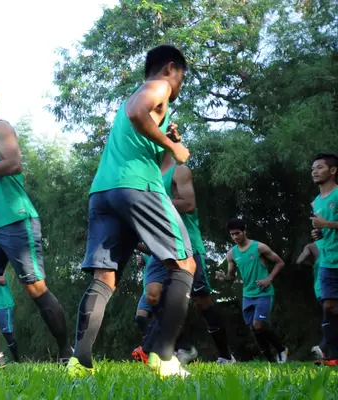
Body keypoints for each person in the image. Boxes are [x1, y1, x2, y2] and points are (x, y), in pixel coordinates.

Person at [71, 45, 196, 377]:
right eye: (182, 76)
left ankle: (79, 363)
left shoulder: (145, 101)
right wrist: (173, 145)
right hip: (138, 187)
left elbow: (150, 149)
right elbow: (136, 113)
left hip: (104, 192)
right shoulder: (159, 87)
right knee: (184, 263)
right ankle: (165, 359)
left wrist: (166, 144)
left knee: (105, 278)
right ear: (171, 68)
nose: (180, 84)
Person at [0, 84, 71, 370]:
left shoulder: (0, 128)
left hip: (17, 219)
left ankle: (67, 350)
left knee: (35, 287)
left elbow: (15, 164)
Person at [139, 153, 235, 365]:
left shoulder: (179, 171)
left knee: (202, 301)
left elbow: (188, 204)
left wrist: (155, 202)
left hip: (186, 244)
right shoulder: (148, 178)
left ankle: (225, 355)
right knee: (153, 296)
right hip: (159, 247)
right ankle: (184, 347)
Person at [215, 219, 288, 363]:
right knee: (254, 328)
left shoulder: (259, 247)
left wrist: (269, 278)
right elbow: (231, 276)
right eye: (232, 235)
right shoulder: (232, 253)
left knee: (258, 325)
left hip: (264, 292)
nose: (235, 237)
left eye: (237, 233)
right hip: (247, 295)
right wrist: (224, 277)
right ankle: (271, 361)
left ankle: (281, 349)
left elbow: (280, 262)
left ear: (244, 231)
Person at [310, 153, 338, 367]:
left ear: (333, 170)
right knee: (328, 305)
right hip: (328, 260)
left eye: (320, 167)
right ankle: (331, 354)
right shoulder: (316, 201)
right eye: (313, 168)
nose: (315, 171)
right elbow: (322, 228)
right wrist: (318, 234)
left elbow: (328, 224)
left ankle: (328, 351)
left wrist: (326, 225)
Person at [296, 242, 326, 360]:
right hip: (326, 288)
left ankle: (324, 349)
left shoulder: (312, 246)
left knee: (331, 319)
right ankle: (324, 349)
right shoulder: (331, 244)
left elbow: (300, 261)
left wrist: (313, 262)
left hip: (322, 289)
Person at [0, 271, 18, 362]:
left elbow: (2, 281)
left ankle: (17, 360)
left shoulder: (1, 267)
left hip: (4, 305)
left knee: (7, 334)